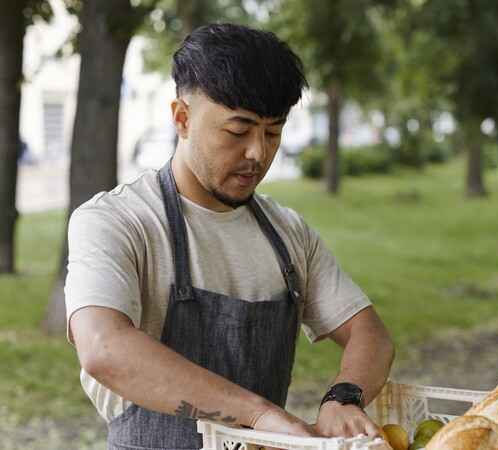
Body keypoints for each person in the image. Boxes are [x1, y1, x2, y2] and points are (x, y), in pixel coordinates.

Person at [65, 23, 394, 449]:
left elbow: (370, 333)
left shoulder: (288, 233)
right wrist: (258, 413)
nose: (258, 152)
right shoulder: (118, 220)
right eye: (238, 131)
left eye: (273, 132)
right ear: (182, 118)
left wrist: (344, 397)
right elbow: (104, 347)